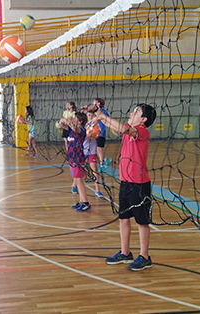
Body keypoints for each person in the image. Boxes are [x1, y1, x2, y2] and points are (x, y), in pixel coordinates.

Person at [97, 104, 156, 271]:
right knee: (123, 219)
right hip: (125, 182)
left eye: (136, 112)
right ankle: (125, 253)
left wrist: (103, 116)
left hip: (139, 184)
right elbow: (113, 126)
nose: (131, 112)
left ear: (143, 119)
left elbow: (123, 128)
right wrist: (97, 115)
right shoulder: (128, 128)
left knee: (142, 222)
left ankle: (145, 257)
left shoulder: (142, 131)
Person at [59, 112, 90, 212]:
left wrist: (70, 122)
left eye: (76, 118)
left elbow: (75, 129)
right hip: (71, 157)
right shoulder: (71, 130)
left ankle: (85, 203)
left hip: (78, 158)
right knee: (76, 180)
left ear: (80, 121)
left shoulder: (81, 130)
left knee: (79, 180)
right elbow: (61, 124)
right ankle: (81, 201)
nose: (73, 119)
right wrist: (65, 119)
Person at [85, 111, 103, 198]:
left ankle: (97, 190)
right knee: (79, 169)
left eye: (92, 116)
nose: (90, 117)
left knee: (95, 169)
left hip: (92, 150)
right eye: (89, 115)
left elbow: (97, 133)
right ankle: (75, 185)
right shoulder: (83, 125)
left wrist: (95, 134)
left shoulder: (96, 126)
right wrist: (87, 135)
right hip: (83, 150)